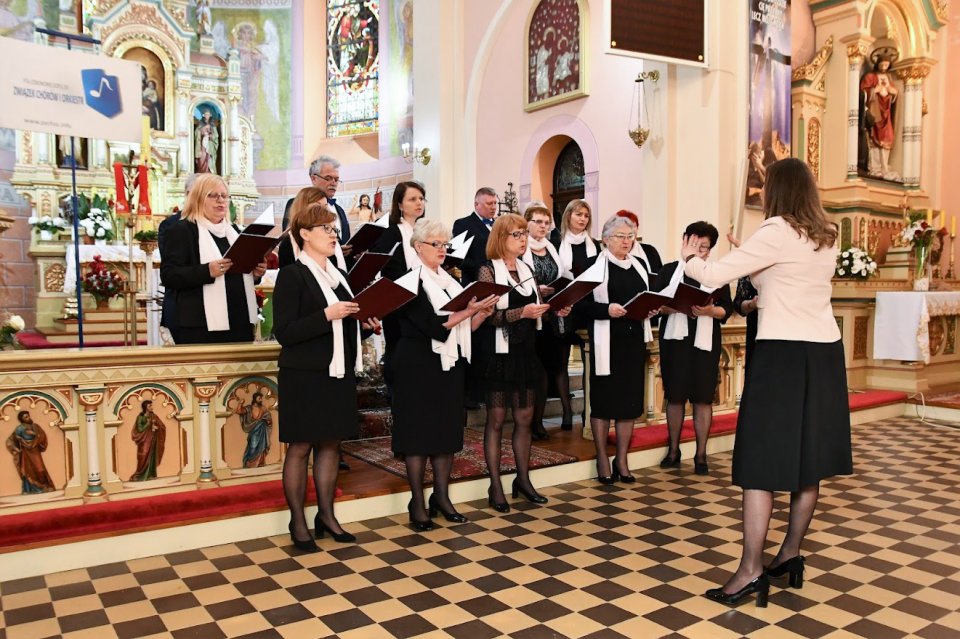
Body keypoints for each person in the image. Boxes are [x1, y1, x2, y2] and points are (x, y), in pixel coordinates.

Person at [682, 158, 851, 607]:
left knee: (760, 465)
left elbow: (714, 276)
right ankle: (789, 555)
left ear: (776, 191)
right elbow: (784, 278)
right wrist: (751, 257)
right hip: (824, 353)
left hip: (783, 356)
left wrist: (689, 258)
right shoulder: (827, 234)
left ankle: (751, 571)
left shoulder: (776, 230)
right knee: (806, 462)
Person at [273, 202, 380, 553]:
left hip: (337, 373)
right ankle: (298, 521)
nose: (335, 235)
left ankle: (327, 516)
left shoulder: (338, 275)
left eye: (335, 229)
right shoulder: (292, 274)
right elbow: (285, 332)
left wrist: (363, 323)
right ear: (305, 234)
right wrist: (327, 314)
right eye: (327, 230)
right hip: (304, 375)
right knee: (301, 446)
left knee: (332, 443)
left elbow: (344, 325)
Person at [391, 219, 498, 531]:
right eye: (436, 244)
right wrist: (466, 312)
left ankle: (442, 497)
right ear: (418, 246)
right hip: (416, 365)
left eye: (445, 244)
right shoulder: (408, 283)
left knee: (446, 433)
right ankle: (417, 502)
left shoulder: (452, 283)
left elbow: (465, 331)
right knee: (417, 436)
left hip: (449, 366)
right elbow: (433, 327)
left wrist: (479, 315)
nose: (442, 249)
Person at [474, 214, 571, 512]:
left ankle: (523, 479)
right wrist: (522, 314)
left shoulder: (528, 268)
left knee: (525, 420)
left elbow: (535, 307)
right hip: (499, 355)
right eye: (516, 234)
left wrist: (555, 309)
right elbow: (488, 316)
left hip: (526, 353)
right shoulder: (488, 271)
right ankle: (495, 485)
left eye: (523, 234)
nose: (523, 239)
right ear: (501, 238)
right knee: (497, 420)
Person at [577, 215, 657, 484]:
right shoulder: (592, 267)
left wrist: (652, 309)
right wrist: (606, 309)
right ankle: (602, 457)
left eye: (630, 236)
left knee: (629, 403)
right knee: (604, 402)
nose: (626, 241)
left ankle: (621, 459)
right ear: (606, 239)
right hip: (606, 343)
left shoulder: (640, 266)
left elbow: (647, 298)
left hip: (633, 342)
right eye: (620, 236)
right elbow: (580, 306)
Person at [657, 221, 733, 476]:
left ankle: (701, 455)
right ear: (684, 241)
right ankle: (673, 450)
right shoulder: (668, 271)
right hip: (675, 342)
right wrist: (671, 306)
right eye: (694, 245)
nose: (699, 251)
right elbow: (655, 305)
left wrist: (710, 310)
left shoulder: (716, 273)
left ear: (709, 251)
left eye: (704, 247)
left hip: (704, 344)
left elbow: (726, 310)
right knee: (675, 396)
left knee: (702, 398)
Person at [160, 174, 267, 344]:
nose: (221, 200)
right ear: (197, 198)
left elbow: (237, 272)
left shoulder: (234, 231)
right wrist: (207, 271)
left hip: (238, 319)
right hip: (200, 325)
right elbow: (169, 275)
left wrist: (254, 273)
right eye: (213, 195)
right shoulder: (182, 230)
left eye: (224, 196)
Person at [521, 201, 570, 440]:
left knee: (550, 370)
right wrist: (536, 289)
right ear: (526, 223)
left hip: (552, 317)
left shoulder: (551, 247)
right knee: (535, 373)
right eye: (538, 222)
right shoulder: (521, 248)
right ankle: (533, 422)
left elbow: (560, 275)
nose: (543, 226)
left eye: (546, 222)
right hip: (531, 318)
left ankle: (539, 420)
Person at [370, 181, 426, 390]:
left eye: (421, 198)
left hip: (423, 301)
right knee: (399, 352)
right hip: (399, 305)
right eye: (412, 199)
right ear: (400, 205)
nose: (419, 203)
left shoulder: (425, 230)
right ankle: (397, 395)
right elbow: (389, 270)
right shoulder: (392, 233)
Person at [552, 199, 600, 430]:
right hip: (563, 305)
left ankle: (586, 410)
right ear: (568, 215)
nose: (582, 219)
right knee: (560, 361)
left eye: (586, 216)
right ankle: (567, 411)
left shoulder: (595, 246)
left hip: (587, 306)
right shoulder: (555, 241)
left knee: (588, 361)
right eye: (578, 214)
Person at [158, 173, 201, 344]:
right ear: (189, 193)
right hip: (183, 307)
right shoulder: (172, 226)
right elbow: (172, 271)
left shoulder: (224, 227)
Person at [279, 188, 348, 271]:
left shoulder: (331, 235)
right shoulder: (288, 243)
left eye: (325, 206)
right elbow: (288, 277)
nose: (323, 211)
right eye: (318, 206)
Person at [860, 48, 899, 179]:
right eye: (882, 64)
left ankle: (884, 167)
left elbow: (893, 92)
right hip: (875, 110)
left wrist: (893, 92)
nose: (883, 67)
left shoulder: (888, 77)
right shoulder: (870, 76)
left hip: (886, 112)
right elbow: (862, 92)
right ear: (877, 64)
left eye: (886, 65)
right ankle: (875, 167)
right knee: (874, 137)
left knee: (887, 136)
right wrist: (873, 90)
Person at [452, 187, 498, 285]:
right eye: (489, 203)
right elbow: (456, 257)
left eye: (495, 203)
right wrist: (481, 267)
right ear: (476, 205)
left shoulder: (499, 225)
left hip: (500, 278)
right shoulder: (463, 224)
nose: (494, 207)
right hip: (475, 280)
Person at [6, 411, 55, 494]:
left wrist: (35, 434)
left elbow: (42, 436)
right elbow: (10, 441)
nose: (28, 418)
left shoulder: (35, 427)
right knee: (28, 470)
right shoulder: (20, 428)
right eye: (25, 417)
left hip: (35, 450)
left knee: (40, 469)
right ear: (22, 419)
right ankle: (29, 489)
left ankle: (44, 486)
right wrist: (16, 448)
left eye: (28, 416)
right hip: (26, 452)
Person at [130, 400, 166, 481]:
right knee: (143, 456)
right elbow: (139, 429)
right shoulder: (140, 417)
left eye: (151, 405)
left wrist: (157, 427)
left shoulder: (154, 416)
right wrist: (148, 423)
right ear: (145, 407)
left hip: (152, 439)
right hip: (144, 441)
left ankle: (150, 474)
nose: (151, 407)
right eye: (149, 406)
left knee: (151, 456)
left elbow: (162, 425)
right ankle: (139, 475)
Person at [238, 392, 273, 468]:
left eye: (261, 398)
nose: (261, 400)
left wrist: (267, 421)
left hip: (262, 431)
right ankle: (249, 464)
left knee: (262, 447)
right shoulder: (249, 408)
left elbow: (269, 420)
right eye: (259, 398)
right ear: (255, 399)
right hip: (253, 432)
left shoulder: (263, 409)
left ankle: (260, 463)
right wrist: (240, 403)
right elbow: (239, 411)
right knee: (252, 448)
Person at [194, 109, 219, 174]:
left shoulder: (212, 125)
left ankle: (209, 171)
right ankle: (202, 171)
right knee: (202, 156)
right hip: (202, 144)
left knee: (209, 158)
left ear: (210, 115)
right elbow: (196, 133)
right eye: (205, 114)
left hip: (209, 144)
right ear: (203, 115)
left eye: (208, 114)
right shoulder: (200, 124)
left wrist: (211, 136)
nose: (206, 116)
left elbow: (216, 135)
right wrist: (201, 131)